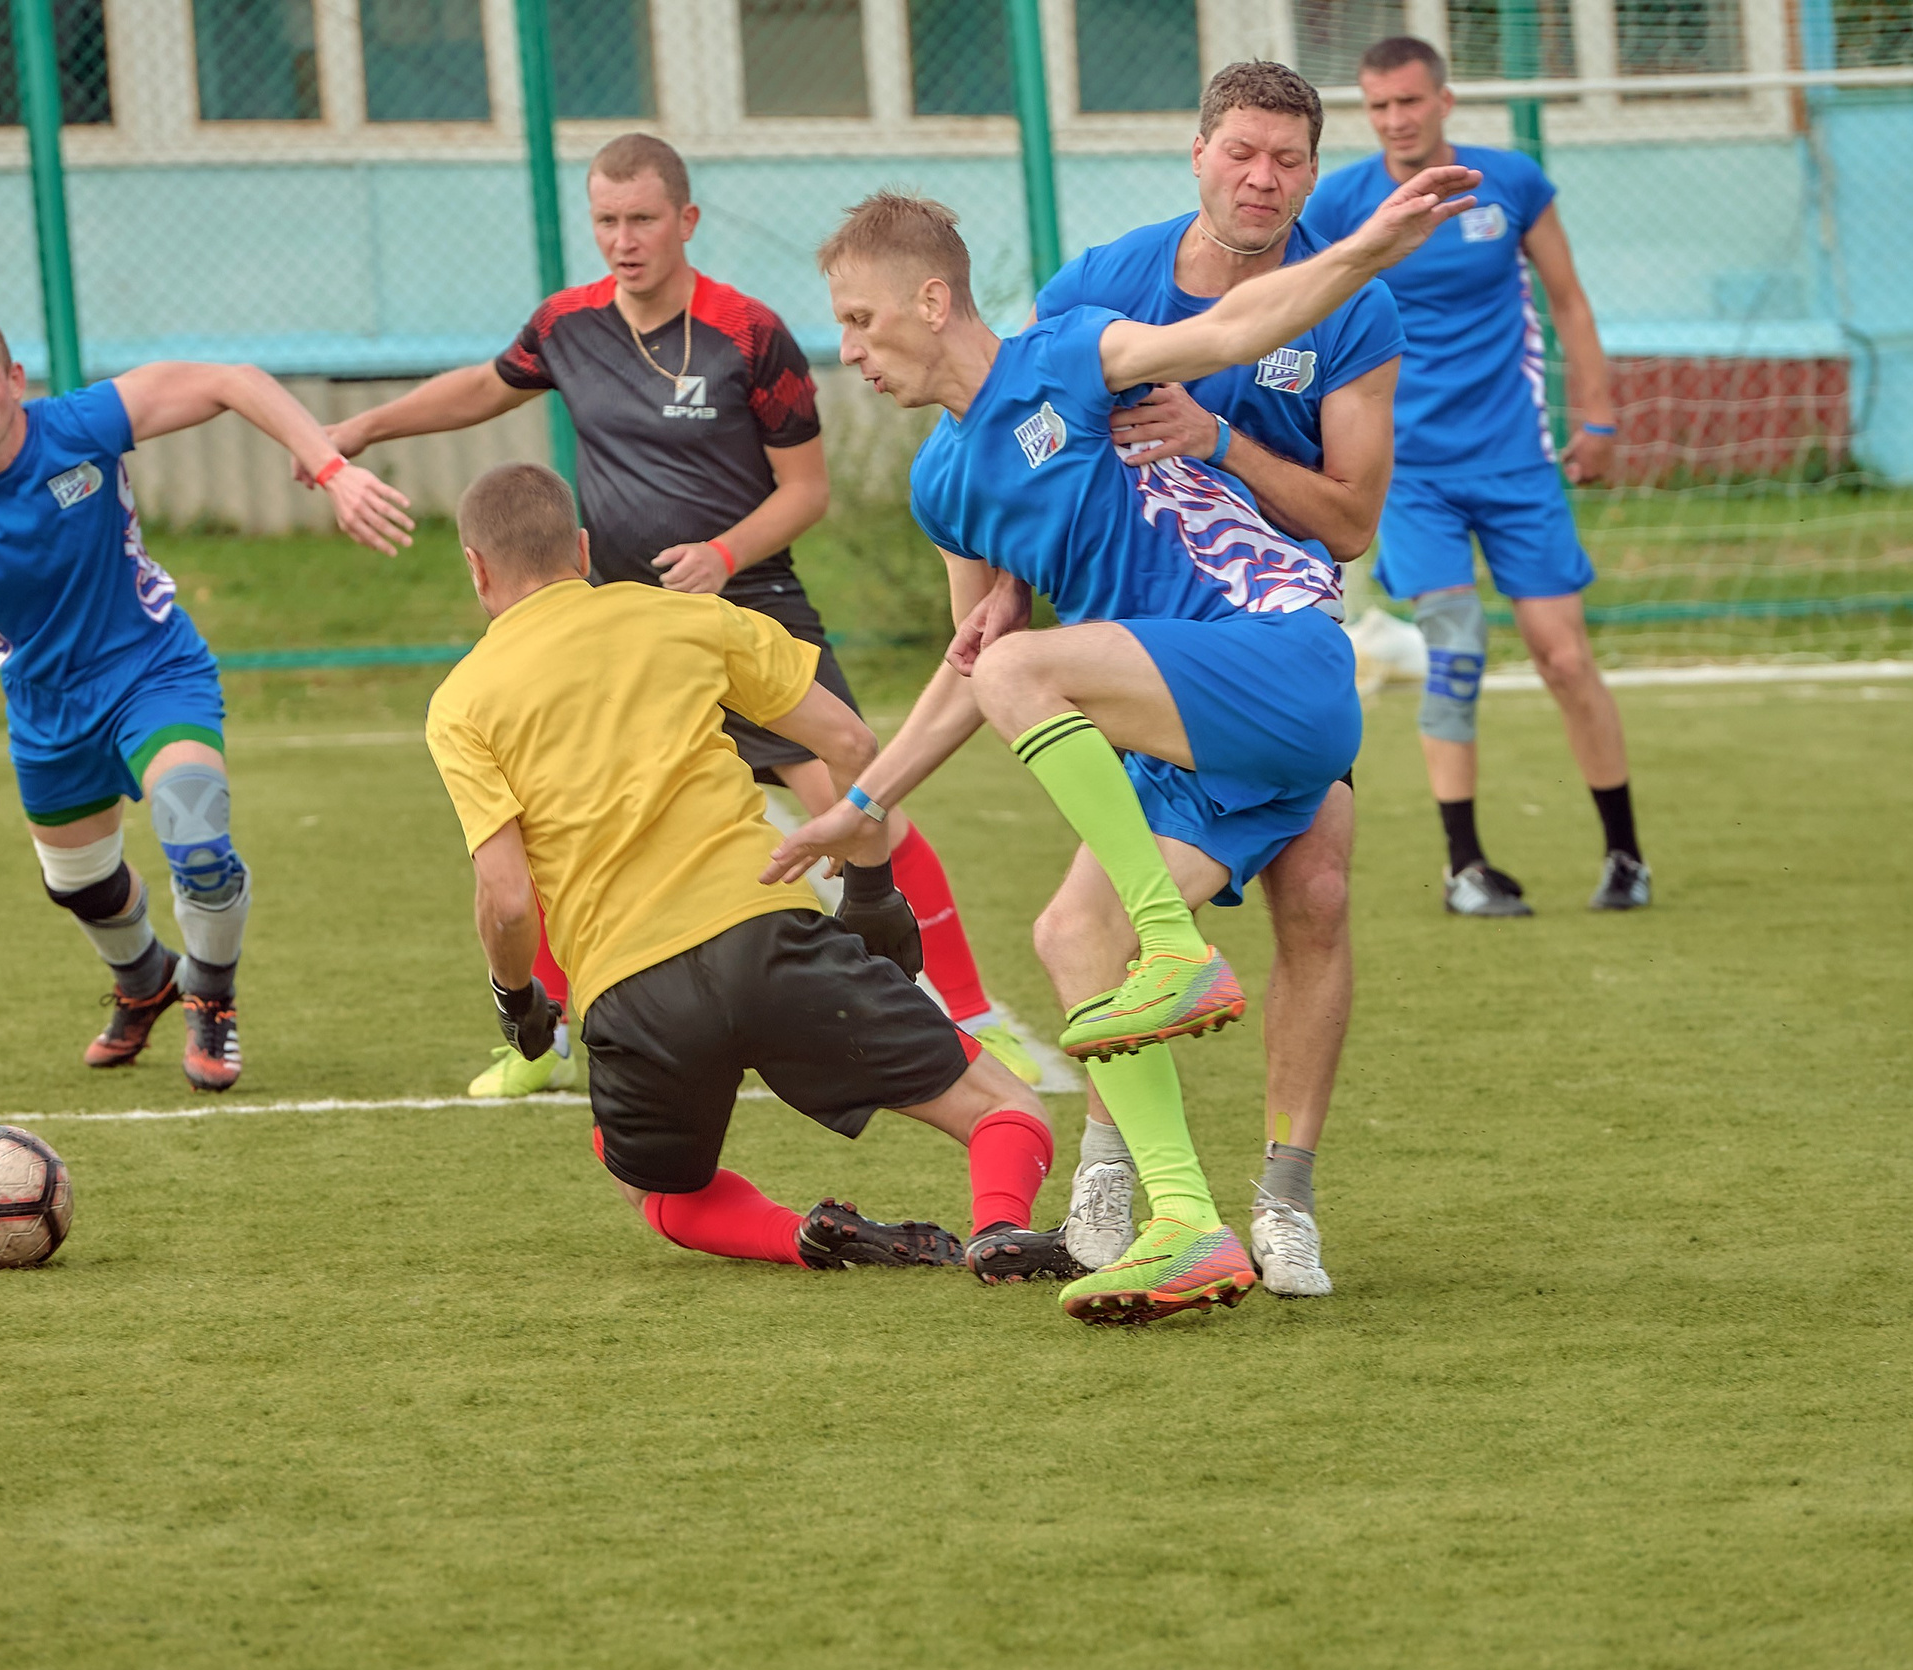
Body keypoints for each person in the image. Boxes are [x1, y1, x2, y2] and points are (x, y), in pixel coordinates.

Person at [765, 168, 1475, 1324]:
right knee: (1064, 930)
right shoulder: (944, 481)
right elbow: (969, 670)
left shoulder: (1068, 352)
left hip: (1275, 660)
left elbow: (1234, 326)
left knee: (1027, 672)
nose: (847, 349)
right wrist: (869, 801)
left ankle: (1174, 948)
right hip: (1185, 731)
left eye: (858, 318)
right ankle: (1186, 1223)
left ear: (934, 301)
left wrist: (1367, 250)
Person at [328, 132, 1041, 1095]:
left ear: (686, 221)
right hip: (613, 631)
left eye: (643, 219)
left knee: (854, 792)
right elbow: (481, 389)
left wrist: (723, 553)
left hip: (749, 606)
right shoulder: (565, 325)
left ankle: (968, 1008)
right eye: (607, 221)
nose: (624, 240)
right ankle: (539, 1038)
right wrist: (365, 425)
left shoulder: (751, 335)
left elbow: (807, 491)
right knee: (546, 825)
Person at [423, 462, 1064, 1283]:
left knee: (651, 1188)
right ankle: (999, 1228)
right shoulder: (685, 619)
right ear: (582, 548)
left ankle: (801, 1235)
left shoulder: (461, 700)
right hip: (768, 938)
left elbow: (508, 901)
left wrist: (518, 1004)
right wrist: (870, 891)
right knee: (1007, 1107)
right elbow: (854, 750)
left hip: (631, 992)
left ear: (476, 568)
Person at [0, 315, 411, 1091]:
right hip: (46, 708)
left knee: (196, 832)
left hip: (152, 671)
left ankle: (211, 995)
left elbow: (230, 380)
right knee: (78, 884)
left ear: (15, 381)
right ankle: (146, 982)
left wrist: (332, 468)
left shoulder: (81, 424)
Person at [1027, 60, 1405, 1296]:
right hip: (1136, 655)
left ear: (1311, 170)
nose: (1263, 177)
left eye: (1288, 159)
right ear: (1196, 152)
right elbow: (1014, 452)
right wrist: (986, 605)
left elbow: (1350, 521)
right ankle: (1111, 1163)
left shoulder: (1349, 305)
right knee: (1102, 923)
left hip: (1273, 645)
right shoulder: (1096, 286)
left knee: (1320, 888)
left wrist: (1222, 440)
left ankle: (1283, 1198)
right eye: (1241, 151)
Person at [1305, 36, 1650, 917]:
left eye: (1409, 103)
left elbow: (1569, 301)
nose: (1394, 121)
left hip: (1516, 460)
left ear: (1444, 101)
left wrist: (1600, 416)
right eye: (1378, 107)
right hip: (1409, 471)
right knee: (1454, 651)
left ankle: (1625, 856)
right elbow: (1298, 313)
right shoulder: (1342, 200)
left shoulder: (1512, 181)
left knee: (1565, 657)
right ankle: (1466, 867)